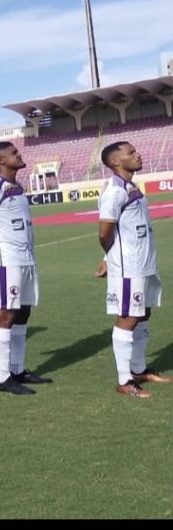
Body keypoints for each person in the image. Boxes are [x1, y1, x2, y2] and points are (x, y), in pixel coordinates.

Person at [0, 141, 53, 395]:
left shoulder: (18, 186)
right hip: (6, 262)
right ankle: (3, 377)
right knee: (5, 315)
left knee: (23, 313)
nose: (19, 154)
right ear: (1, 161)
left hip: (25, 259)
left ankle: (17, 370)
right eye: (13, 153)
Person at [95, 141, 169, 398]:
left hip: (144, 264)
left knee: (143, 313)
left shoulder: (130, 186)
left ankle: (138, 369)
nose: (138, 154)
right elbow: (104, 233)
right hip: (129, 267)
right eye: (131, 152)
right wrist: (111, 257)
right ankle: (124, 380)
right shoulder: (114, 192)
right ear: (115, 162)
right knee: (128, 317)